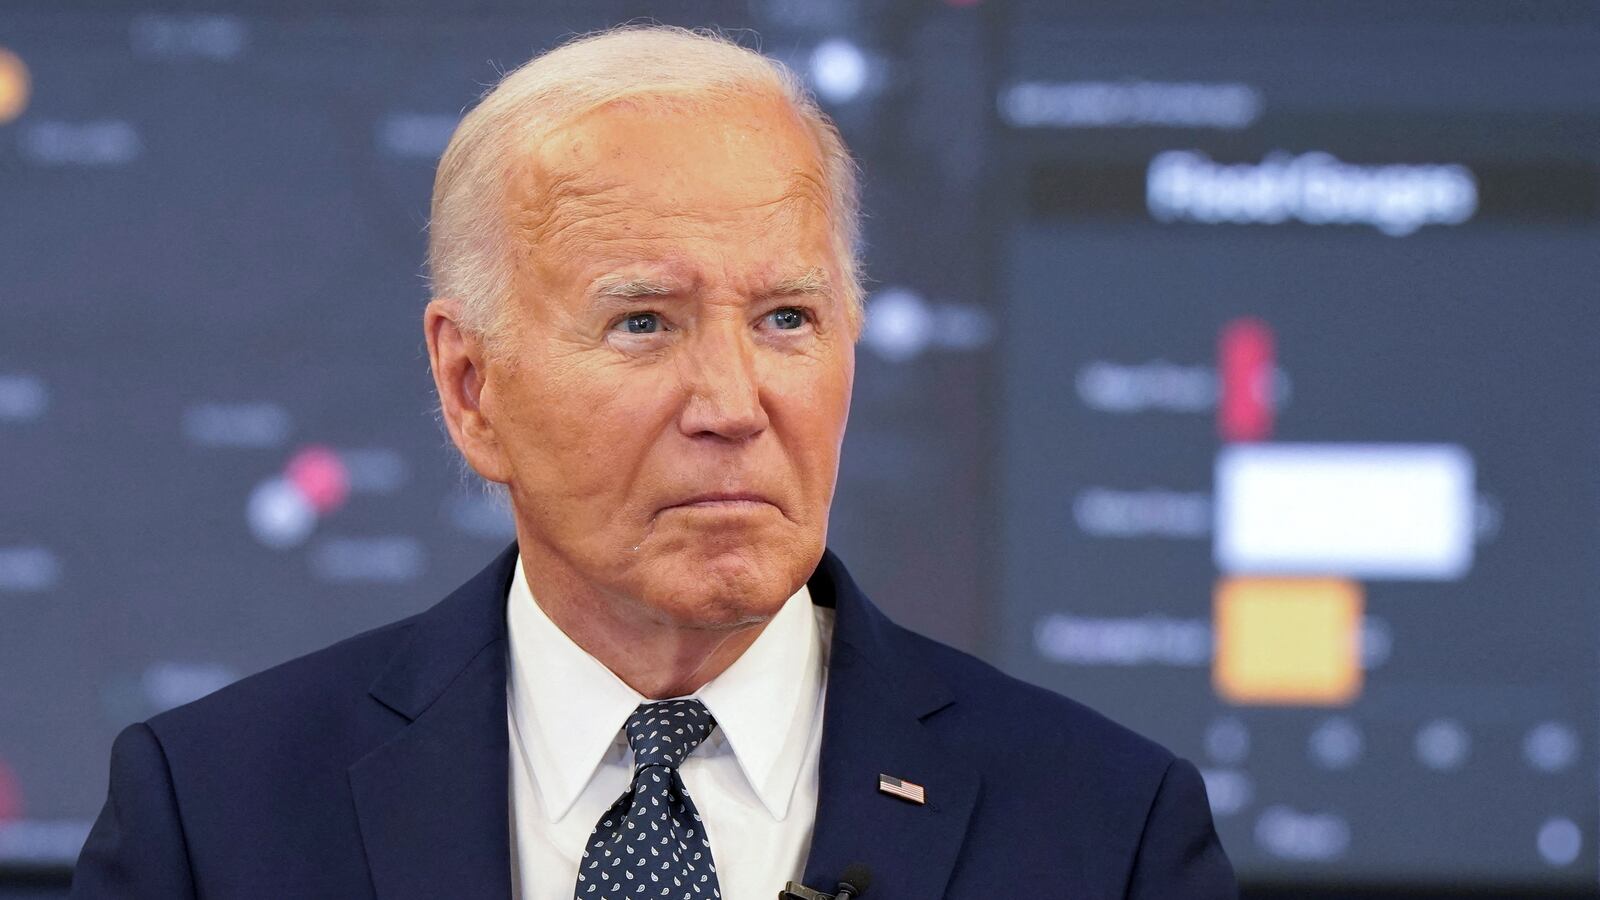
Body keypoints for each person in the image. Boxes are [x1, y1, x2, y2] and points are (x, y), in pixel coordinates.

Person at [71, 25, 1235, 899]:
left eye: (786, 319)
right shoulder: (213, 818)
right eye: (643, 322)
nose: (731, 406)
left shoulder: (1108, 831)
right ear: (472, 388)